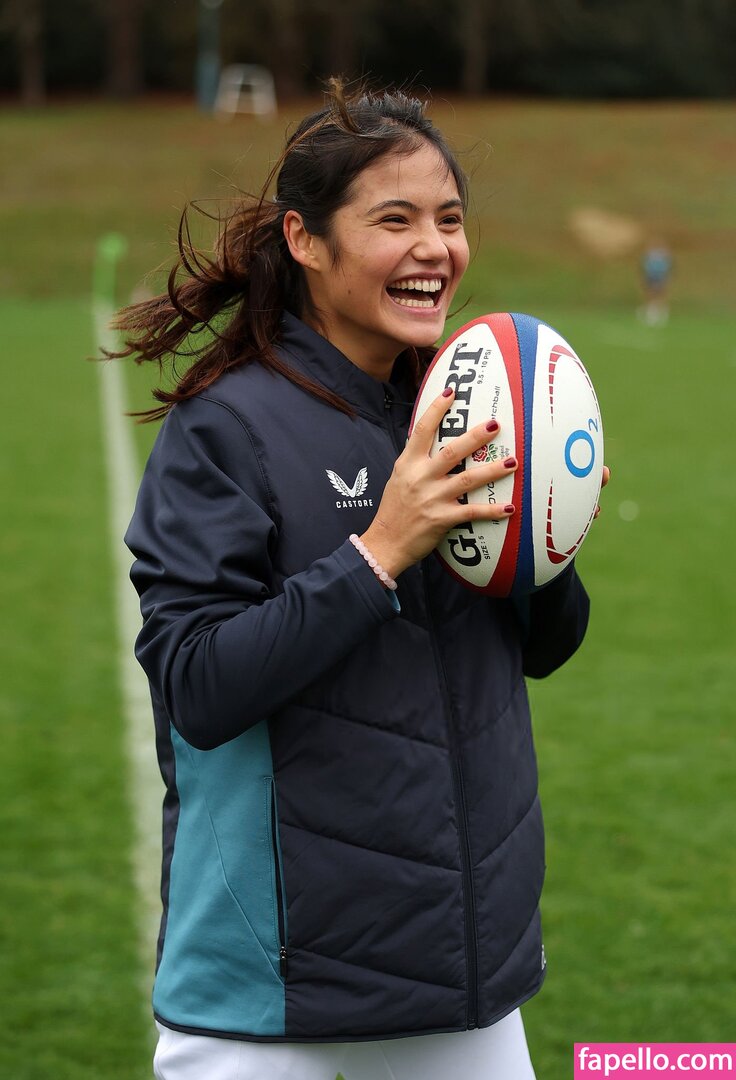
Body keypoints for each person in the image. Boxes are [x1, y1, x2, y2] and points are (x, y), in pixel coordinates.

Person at [116, 81, 604, 1080]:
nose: (435, 247)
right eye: (395, 220)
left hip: (455, 965)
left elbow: (547, 648)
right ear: (305, 239)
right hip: (271, 985)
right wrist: (381, 549)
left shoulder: (465, 402)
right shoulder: (226, 427)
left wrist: (547, 532)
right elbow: (198, 685)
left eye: (449, 219)